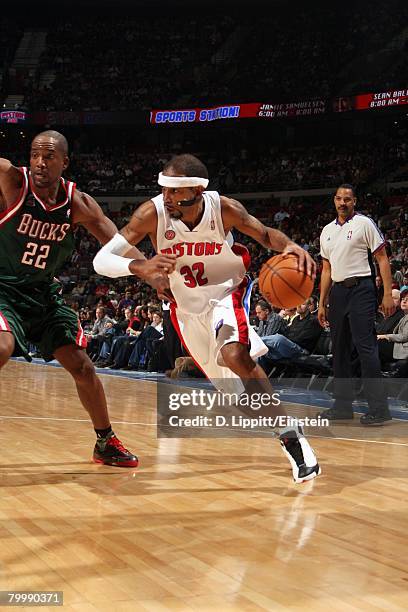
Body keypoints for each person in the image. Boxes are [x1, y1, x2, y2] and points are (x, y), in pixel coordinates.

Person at [94, 153, 321, 483]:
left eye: (174, 191)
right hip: (186, 310)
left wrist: (291, 246)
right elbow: (102, 260)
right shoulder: (151, 213)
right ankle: (285, 425)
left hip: (225, 294)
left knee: (234, 354)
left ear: (197, 190)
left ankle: (293, 440)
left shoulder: (223, 208)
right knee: (240, 401)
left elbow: (265, 234)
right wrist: (140, 267)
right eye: (164, 189)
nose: (166, 196)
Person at [0, 130, 176, 467]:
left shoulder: (77, 203)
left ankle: (105, 442)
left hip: (41, 294)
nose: (39, 162)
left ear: (64, 162)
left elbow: (117, 241)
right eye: (35, 155)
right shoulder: (11, 181)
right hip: (2, 288)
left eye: (48, 156)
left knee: (82, 366)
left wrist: (149, 271)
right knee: (2, 346)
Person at [317, 184, 395, 425]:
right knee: (339, 349)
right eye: (339, 199)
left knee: (365, 348)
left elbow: (382, 258)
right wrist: (322, 303)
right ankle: (342, 406)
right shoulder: (327, 231)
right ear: (334, 201)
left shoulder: (364, 223)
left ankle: (379, 408)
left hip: (362, 288)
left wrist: (386, 294)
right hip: (338, 293)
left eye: (347, 199)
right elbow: (326, 270)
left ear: (354, 201)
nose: (343, 203)